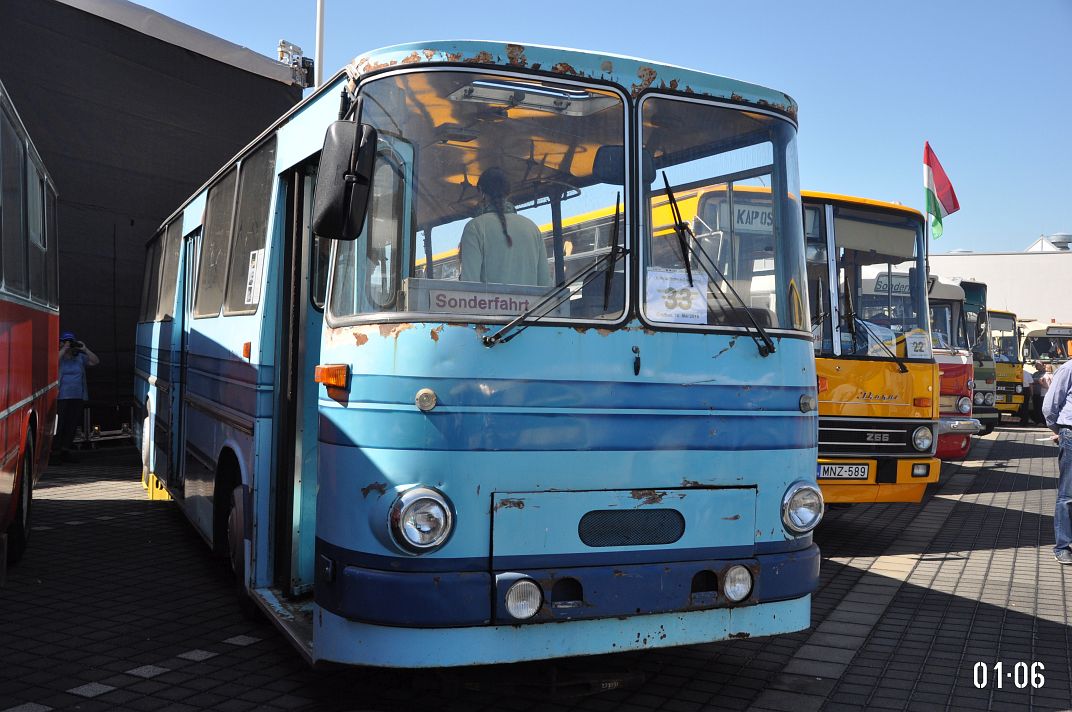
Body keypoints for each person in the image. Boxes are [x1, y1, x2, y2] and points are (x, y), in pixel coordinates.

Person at [459, 168, 551, 288]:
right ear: (508, 192)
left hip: (490, 306)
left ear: (481, 191)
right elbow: (545, 284)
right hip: (531, 306)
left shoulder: (475, 228)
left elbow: (469, 285)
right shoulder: (532, 228)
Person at [54, 332, 99, 462]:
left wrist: (85, 349)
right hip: (61, 397)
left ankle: (65, 450)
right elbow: (52, 361)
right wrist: (64, 348)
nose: (69, 344)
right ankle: (55, 451)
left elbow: (95, 361)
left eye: (71, 341)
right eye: (66, 341)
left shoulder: (79, 357)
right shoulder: (60, 357)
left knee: (71, 424)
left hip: (77, 396)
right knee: (60, 424)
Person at [1044, 360, 1072, 564]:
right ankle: (1062, 546)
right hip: (1071, 433)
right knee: (1068, 494)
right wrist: (1060, 431)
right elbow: (1050, 405)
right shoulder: (1069, 368)